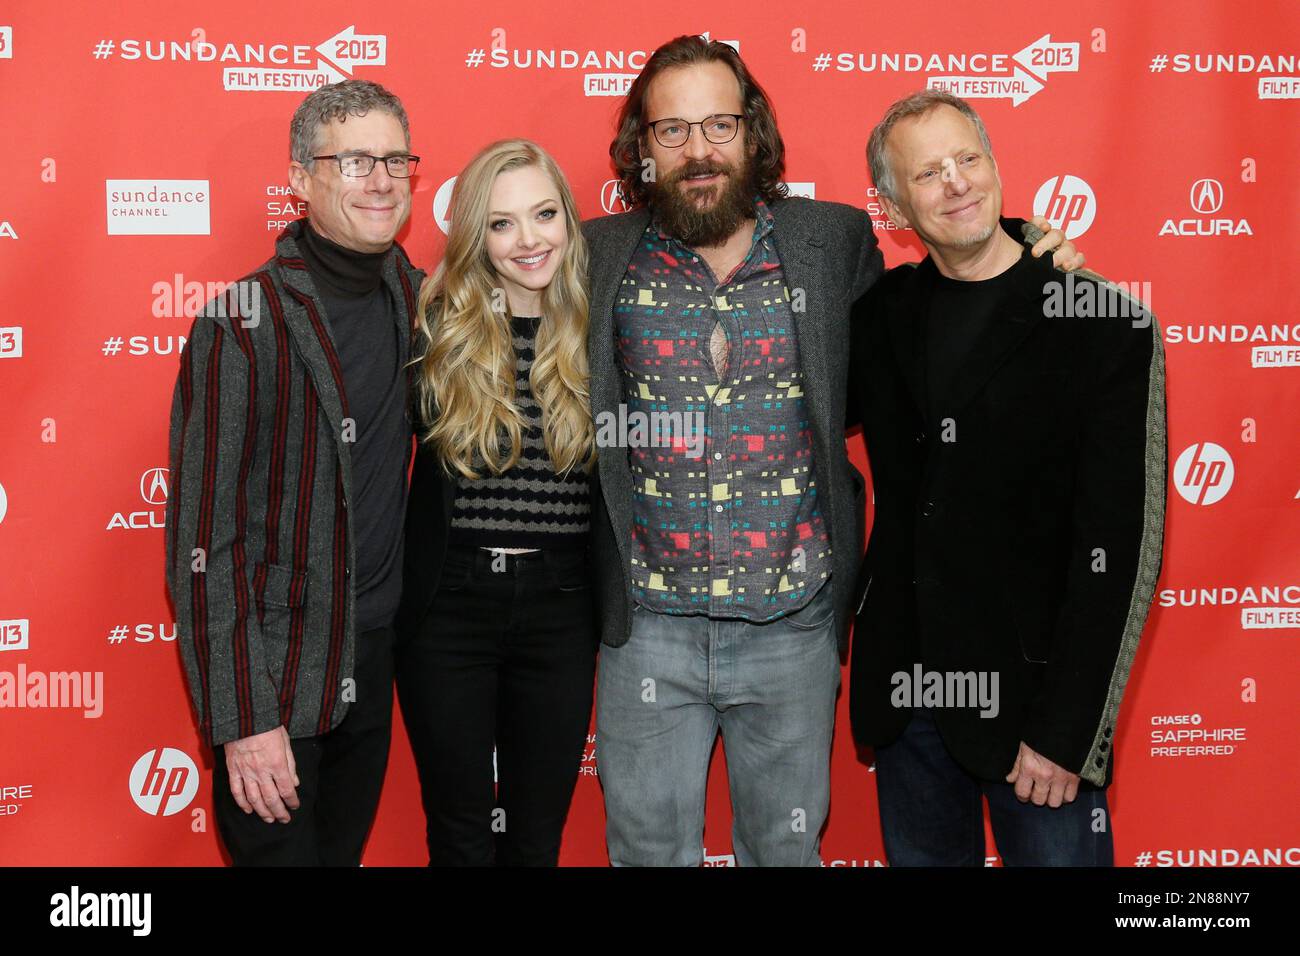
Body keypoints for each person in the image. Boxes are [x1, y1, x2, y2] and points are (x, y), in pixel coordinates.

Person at [582, 35, 1082, 866]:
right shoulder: (598, 254)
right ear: (642, 149)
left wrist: (1031, 246)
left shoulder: (833, 241)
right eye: (672, 131)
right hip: (649, 628)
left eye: (719, 124)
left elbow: (943, 290)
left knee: (785, 853)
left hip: (793, 624)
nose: (699, 150)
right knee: (644, 852)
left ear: (753, 134)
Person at [848, 89, 1166, 866]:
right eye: (928, 173)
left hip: (1037, 716)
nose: (956, 182)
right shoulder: (882, 314)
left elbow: (1119, 550)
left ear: (995, 164)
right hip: (911, 706)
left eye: (968, 159)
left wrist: (1068, 733)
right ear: (895, 206)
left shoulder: (1103, 324)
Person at [164, 79, 423, 865]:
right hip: (274, 680)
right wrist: (242, 720)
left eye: (394, 159)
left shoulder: (415, 298)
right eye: (352, 161)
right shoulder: (241, 324)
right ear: (299, 178)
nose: (379, 179)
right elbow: (204, 547)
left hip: (371, 663)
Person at [394, 139, 599, 865]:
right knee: (459, 835)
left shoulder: (601, 329)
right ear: (475, 233)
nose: (529, 239)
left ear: (569, 220)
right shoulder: (434, 326)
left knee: (536, 838)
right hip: (448, 608)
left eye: (544, 214)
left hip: (562, 608)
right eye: (502, 223)